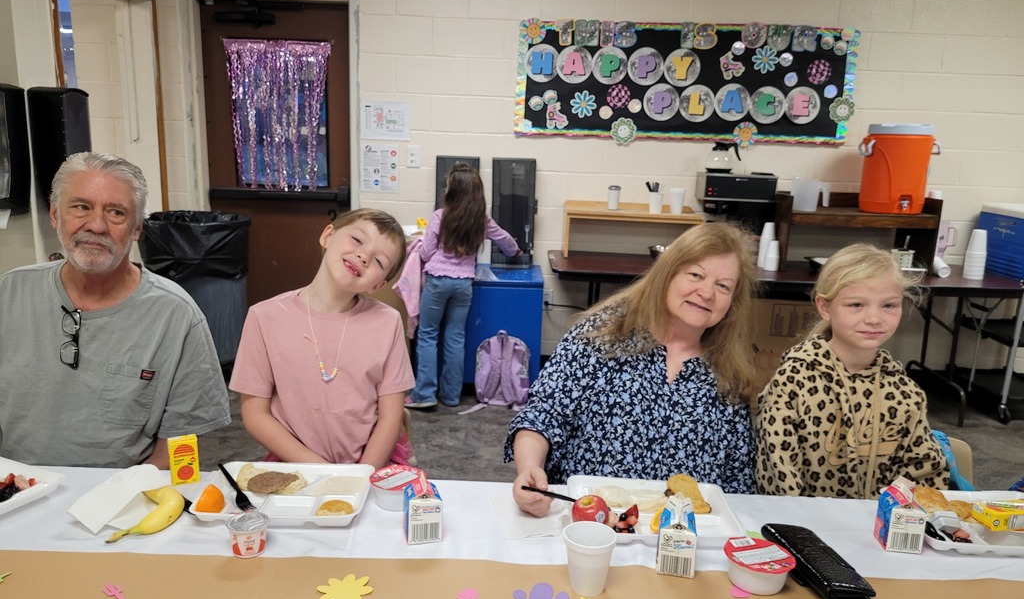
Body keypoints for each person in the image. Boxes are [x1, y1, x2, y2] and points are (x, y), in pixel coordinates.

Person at [507, 222, 760, 517]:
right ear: (668, 274)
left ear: (732, 302)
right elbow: (543, 415)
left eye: (723, 286)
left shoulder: (730, 375)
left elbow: (738, 482)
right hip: (592, 525)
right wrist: (530, 469)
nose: (706, 293)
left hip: (683, 541)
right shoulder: (601, 336)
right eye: (696, 275)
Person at [0, 152, 230, 469]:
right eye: (81, 207)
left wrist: (132, 492)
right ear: (55, 215)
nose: (96, 225)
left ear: (136, 229)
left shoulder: (175, 316)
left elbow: (183, 440)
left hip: (124, 503)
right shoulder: (9, 295)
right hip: (17, 495)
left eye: (116, 213)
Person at [755, 242, 949, 498]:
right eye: (856, 304)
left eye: (888, 305)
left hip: (881, 531)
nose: (874, 318)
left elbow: (926, 476)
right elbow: (778, 476)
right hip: (803, 529)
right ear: (824, 307)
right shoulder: (793, 381)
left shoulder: (905, 393)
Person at [229, 209, 415, 468]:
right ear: (328, 235)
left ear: (378, 285)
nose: (363, 256)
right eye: (358, 240)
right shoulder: (264, 317)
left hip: (371, 466)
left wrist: (358, 477)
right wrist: (324, 473)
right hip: (296, 466)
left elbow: (390, 417)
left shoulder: (388, 322)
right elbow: (255, 414)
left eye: (379, 262)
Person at [405, 163, 520, 409]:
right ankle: (451, 396)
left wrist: (420, 245)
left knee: (428, 335)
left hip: (437, 281)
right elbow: (507, 241)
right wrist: (515, 252)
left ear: (453, 191)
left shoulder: (440, 216)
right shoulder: (482, 221)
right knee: (455, 338)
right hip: (463, 284)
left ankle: (424, 394)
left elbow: (426, 252)